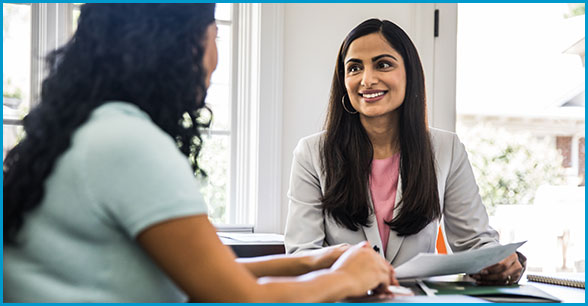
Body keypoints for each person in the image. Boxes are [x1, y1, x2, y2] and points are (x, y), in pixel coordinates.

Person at [3, 5, 398, 302]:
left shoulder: (94, 127)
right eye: (215, 38)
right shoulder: (128, 143)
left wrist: (312, 262)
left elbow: (205, 271)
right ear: (181, 45)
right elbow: (238, 296)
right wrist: (349, 277)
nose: (215, 58)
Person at [284, 18, 526, 286]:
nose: (367, 79)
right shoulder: (311, 154)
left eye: (383, 64)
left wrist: (498, 262)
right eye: (354, 68)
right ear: (343, 81)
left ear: (409, 73)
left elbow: (474, 241)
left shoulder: (447, 149)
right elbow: (301, 255)